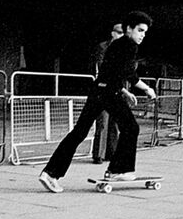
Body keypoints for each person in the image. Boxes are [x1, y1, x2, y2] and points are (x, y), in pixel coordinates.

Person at [39, 12, 157, 193]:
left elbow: (112, 73)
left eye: (145, 32)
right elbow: (129, 75)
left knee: (79, 132)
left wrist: (124, 91)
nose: (142, 35)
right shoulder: (129, 45)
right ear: (129, 29)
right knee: (131, 127)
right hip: (109, 93)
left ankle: (50, 173)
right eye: (140, 30)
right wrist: (147, 89)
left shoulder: (115, 45)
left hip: (98, 91)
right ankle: (118, 170)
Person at [91, 23, 124, 164]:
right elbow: (102, 66)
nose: (122, 36)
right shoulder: (103, 47)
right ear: (113, 33)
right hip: (105, 87)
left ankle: (112, 153)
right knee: (103, 121)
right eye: (119, 33)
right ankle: (99, 154)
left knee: (114, 123)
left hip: (118, 88)